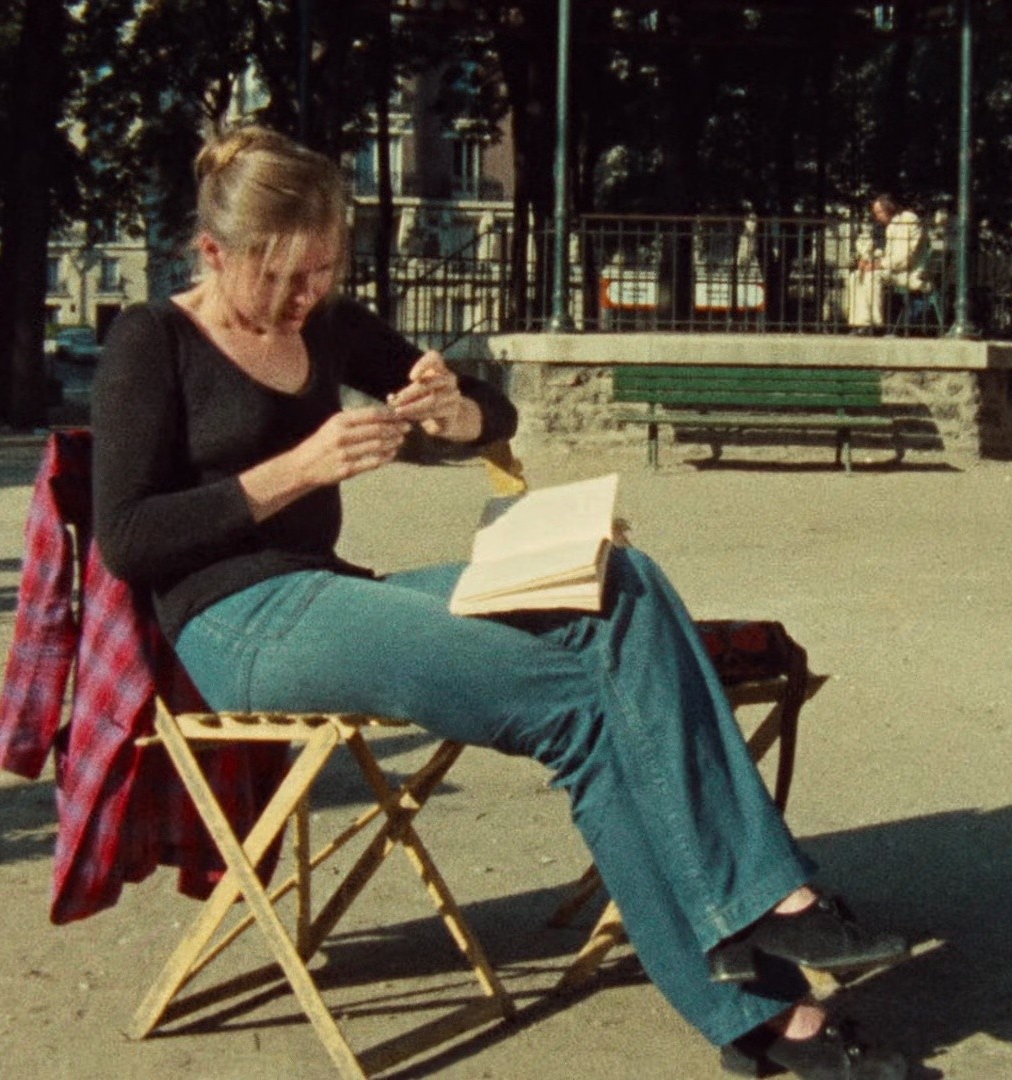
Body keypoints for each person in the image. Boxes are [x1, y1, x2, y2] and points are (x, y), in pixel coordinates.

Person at [91, 124, 908, 1080]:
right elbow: (127, 538)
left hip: (338, 594)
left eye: (321, 271)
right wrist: (295, 471)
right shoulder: (152, 341)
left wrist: (458, 411)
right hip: (239, 622)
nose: (303, 296)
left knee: (623, 582)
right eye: (279, 278)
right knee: (579, 703)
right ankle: (764, 994)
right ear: (212, 252)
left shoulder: (328, 324)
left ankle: (761, 923)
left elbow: (491, 412)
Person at [845, 194, 927, 333]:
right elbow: (889, 255)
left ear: (890, 208)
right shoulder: (891, 226)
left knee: (872, 276)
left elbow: (904, 258)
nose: (877, 217)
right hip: (895, 270)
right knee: (856, 276)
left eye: (879, 212)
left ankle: (871, 324)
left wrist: (878, 265)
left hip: (909, 272)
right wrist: (869, 261)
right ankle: (859, 323)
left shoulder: (907, 220)